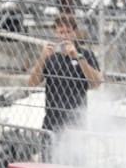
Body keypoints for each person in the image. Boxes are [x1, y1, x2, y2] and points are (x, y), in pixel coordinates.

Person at [30, 16, 102, 151]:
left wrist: (78, 57)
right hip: (52, 121)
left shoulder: (86, 54)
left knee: (74, 165)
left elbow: (97, 82)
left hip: (76, 121)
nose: (65, 35)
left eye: (68, 31)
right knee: (49, 162)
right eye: (61, 32)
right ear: (55, 33)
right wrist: (43, 57)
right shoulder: (51, 56)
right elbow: (32, 83)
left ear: (75, 32)